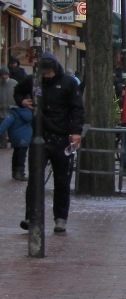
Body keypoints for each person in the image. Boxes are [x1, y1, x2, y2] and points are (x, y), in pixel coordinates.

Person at [21, 52, 83, 233]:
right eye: (44, 73)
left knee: (62, 180)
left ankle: (60, 218)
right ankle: (31, 215)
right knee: (35, 179)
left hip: (62, 136)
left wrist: (75, 132)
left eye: (49, 73)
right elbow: (18, 91)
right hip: (39, 135)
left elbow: (77, 109)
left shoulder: (69, 83)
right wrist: (22, 101)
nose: (46, 76)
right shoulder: (35, 81)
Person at [0, 78, 33, 181]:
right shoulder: (30, 113)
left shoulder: (14, 113)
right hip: (25, 138)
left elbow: (4, 124)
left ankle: (15, 172)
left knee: (16, 153)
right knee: (21, 155)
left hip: (14, 136)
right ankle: (20, 173)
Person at [0, 66, 16, 149]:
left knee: (12, 129)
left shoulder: (14, 83)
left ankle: (14, 143)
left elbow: (18, 95)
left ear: (8, 74)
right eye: (2, 74)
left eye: (5, 74)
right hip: (2, 110)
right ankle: (3, 145)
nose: (4, 76)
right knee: (2, 129)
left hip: (12, 110)